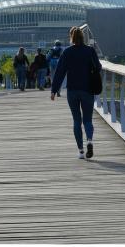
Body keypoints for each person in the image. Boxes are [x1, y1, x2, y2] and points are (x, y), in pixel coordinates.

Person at [51, 25, 102, 159]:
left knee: (76, 120)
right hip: (87, 89)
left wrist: (54, 90)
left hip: (72, 90)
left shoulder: (67, 52)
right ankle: (89, 140)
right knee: (87, 120)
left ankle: (80, 151)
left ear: (71, 37)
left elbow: (60, 71)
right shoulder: (90, 51)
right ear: (83, 37)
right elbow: (98, 67)